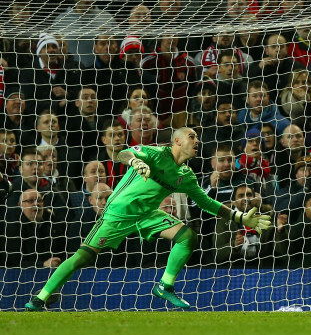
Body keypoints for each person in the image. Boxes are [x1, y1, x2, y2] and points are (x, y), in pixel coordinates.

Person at [25, 127, 272, 311]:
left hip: (147, 214)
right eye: (192, 136)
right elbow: (123, 153)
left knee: (187, 236)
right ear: (177, 141)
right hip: (119, 212)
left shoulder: (186, 176)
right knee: (83, 257)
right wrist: (135, 162)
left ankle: (164, 286)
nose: (197, 140)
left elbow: (207, 203)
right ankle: (41, 297)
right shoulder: (155, 153)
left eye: (197, 137)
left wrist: (240, 218)